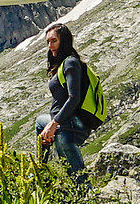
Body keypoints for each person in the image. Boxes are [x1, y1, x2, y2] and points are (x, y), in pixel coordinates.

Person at [37, 21, 96, 177]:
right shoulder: (62, 64)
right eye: (48, 42)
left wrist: (54, 123)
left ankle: (85, 195)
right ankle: (40, 171)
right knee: (40, 123)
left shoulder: (70, 63)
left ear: (64, 40)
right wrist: (51, 124)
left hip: (69, 123)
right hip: (63, 121)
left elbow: (74, 98)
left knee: (76, 174)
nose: (50, 45)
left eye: (54, 40)